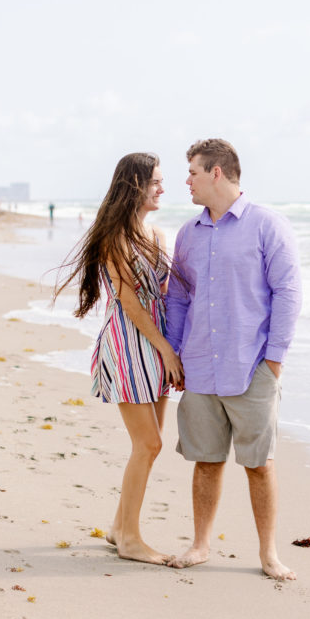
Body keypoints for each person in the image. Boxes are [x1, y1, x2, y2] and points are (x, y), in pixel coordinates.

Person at [165, 139, 302, 580]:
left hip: (252, 366)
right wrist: (175, 351)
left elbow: (288, 293)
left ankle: (268, 555)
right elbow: (180, 299)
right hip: (200, 364)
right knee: (207, 460)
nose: (186, 181)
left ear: (217, 172)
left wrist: (275, 360)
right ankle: (200, 545)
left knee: (259, 464)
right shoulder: (188, 233)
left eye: (192, 172)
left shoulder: (268, 226)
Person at [54, 152, 184, 565]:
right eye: (156, 182)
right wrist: (164, 348)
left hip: (158, 343)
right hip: (130, 343)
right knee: (147, 443)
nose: (163, 188)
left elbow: (166, 296)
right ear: (135, 185)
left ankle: (118, 528)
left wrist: (174, 347)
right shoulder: (116, 238)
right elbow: (128, 301)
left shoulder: (158, 235)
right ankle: (130, 539)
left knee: (151, 445)